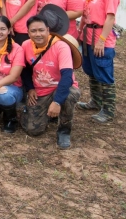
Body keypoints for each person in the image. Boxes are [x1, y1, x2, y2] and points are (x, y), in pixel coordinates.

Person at [20, 15, 82, 150]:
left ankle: (64, 130)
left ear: (48, 30)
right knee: (33, 130)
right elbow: (25, 70)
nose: (38, 34)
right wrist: (30, 88)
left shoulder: (61, 46)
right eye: (33, 31)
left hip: (60, 87)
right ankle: (49, 114)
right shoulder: (26, 45)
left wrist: (57, 102)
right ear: (28, 33)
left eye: (41, 30)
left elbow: (67, 76)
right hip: (41, 90)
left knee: (69, 95)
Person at [77, 0, 120, 124]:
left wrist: (101, 40)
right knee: (91, 71)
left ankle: (108, 110)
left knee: (104, 72)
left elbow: (110, 18)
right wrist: (80, 33)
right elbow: (84, 15)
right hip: (87, 36)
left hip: (101, 37)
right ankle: (95, 101)